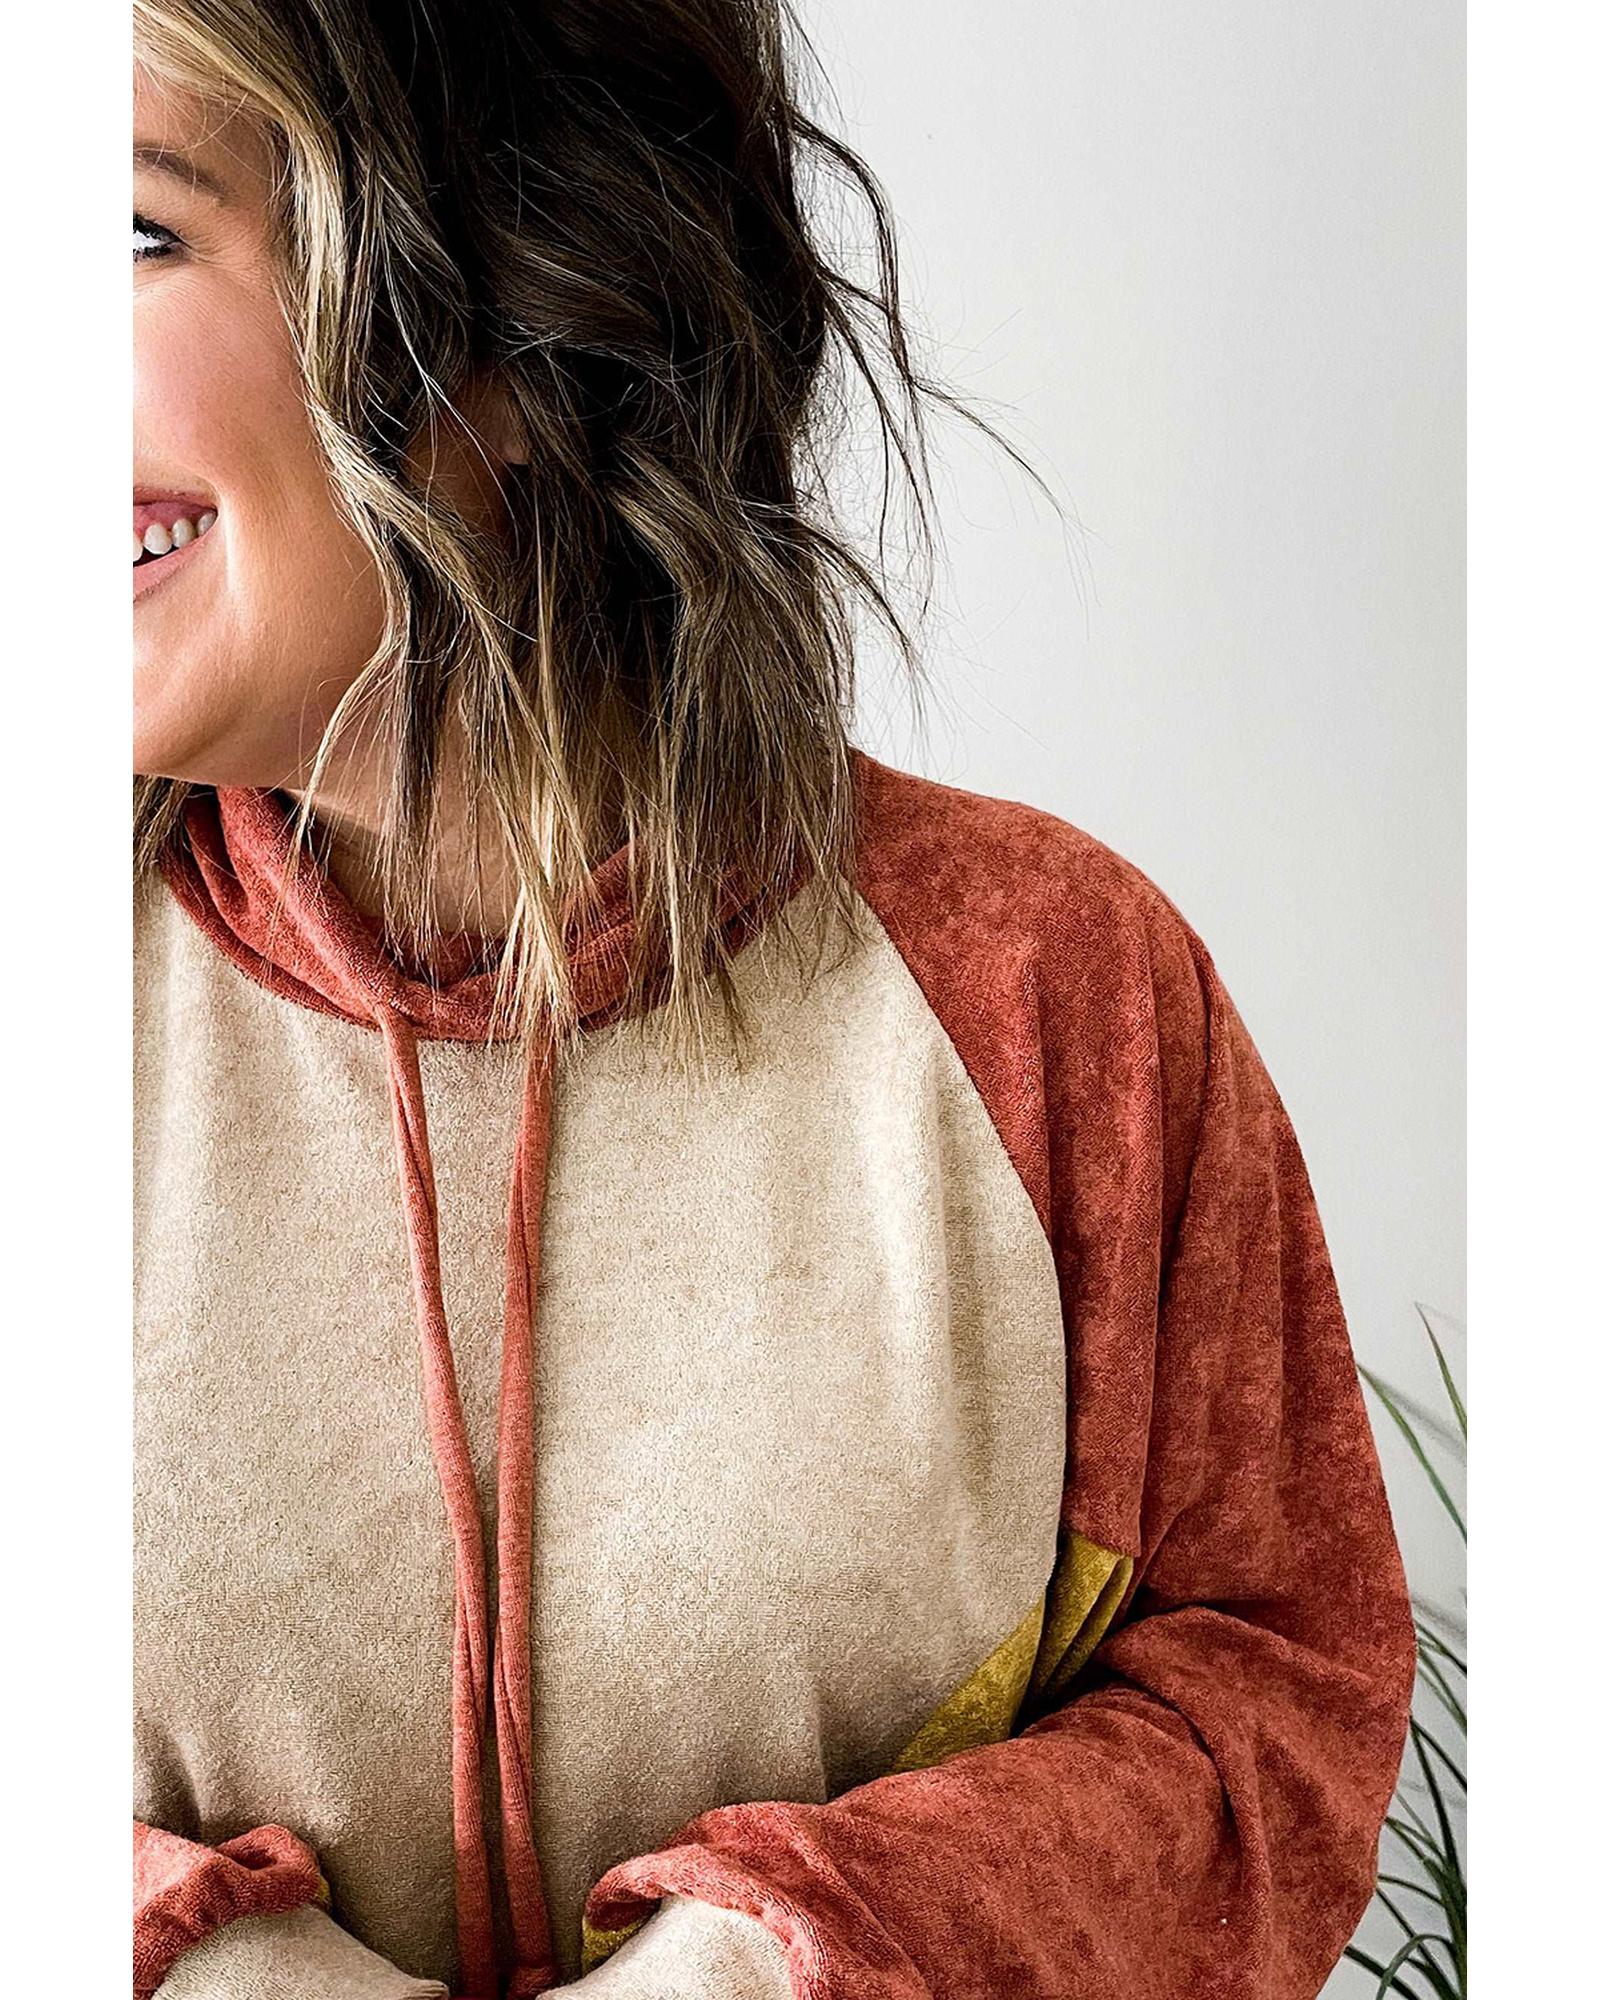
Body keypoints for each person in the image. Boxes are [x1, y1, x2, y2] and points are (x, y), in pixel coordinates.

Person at [131, 4, 1415, 1998]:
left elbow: (1273, 1699)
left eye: (128, 236)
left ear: (510, 326)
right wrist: (188, 1963)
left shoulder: (1046, 988)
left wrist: (775, 1962)